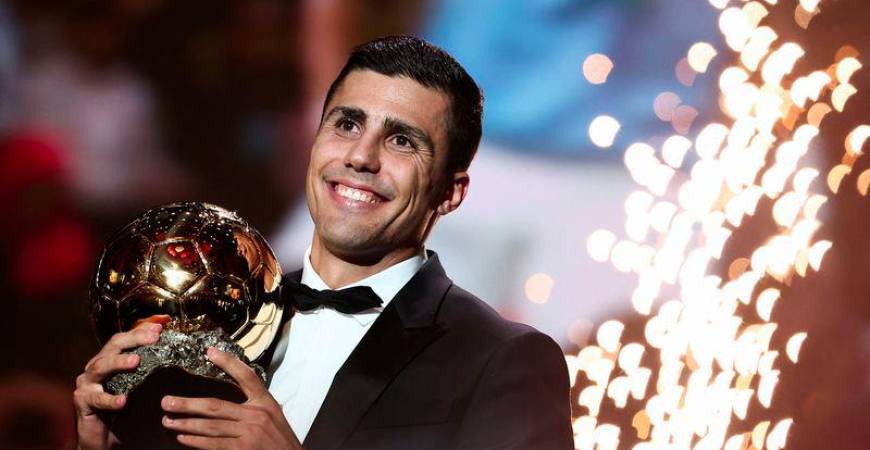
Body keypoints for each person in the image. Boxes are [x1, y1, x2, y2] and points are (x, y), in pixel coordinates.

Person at [73, 35, 573, 450]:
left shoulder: (504, 362)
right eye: (347, 124)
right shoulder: (210, 317)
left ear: (450, 192)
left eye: (402, 141)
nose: (361, 156)